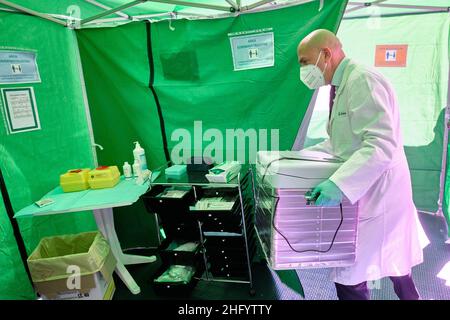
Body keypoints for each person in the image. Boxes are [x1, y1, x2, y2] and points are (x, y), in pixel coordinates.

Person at [297, 29, 429, 300]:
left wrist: (338, 183)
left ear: (325, 54)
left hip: (381, 193)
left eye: (304, 61)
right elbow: (340, 142)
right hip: (371, 190)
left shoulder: (363, 81)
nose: (303, 70)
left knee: (351, 271)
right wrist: (297, 158)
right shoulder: (340, 86)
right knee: (394, 258)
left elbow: (381, 143)